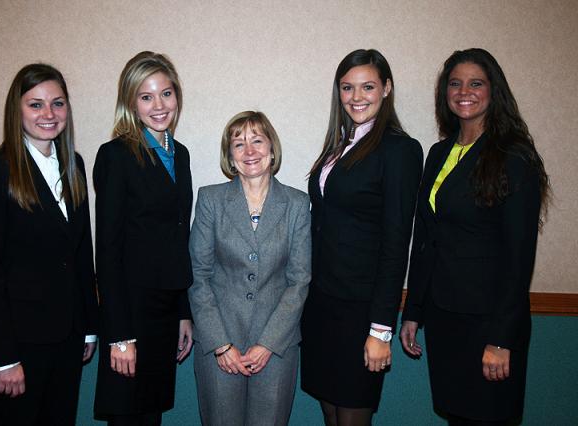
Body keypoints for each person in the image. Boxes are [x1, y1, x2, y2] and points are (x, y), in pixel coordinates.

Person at [400, 48, 551, 426]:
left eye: (476, 83)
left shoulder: (513, 157)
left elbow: (519, 258)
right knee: (458, 416)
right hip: (445, 316)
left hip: (489, 322)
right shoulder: (438, 153)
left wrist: (502, 339)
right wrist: (413, 311)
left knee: (488, 417)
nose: (464, 91)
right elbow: (427, 237)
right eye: (455, 83)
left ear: (493, 90)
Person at [0, 63, 99, 425]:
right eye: (36, 104)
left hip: (68, 339)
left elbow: (81, 254)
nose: (48, 114)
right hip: (19, 345)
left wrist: (88, 326)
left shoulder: (75, 165)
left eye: (57, 103)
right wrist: (5, 358)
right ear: (17, 109)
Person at [300, 49, 423, 426]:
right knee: (330, 411)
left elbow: (395, 244)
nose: (357, 97)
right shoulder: (339, 145)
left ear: (386, 89)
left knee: (353, 414)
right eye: (347, 87)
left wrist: (380, 329)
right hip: (321, 304)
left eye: (368, 86)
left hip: (362, 310)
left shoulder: (400, 149)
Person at [188, 111, 312, 426]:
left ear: (272, 149)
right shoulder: (210, 200)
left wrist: (268, 342)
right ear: (230, 156)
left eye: (257, 140)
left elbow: (299, 280)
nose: (250, 151)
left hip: (276, 345)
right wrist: (220, 343)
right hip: (219, 344)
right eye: (239, 144)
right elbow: (197, 276)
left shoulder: (297, 204)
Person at [93, 51, 193, 426]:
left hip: (165, 313)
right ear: (131, 102)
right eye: (146, 96)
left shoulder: (179, 155)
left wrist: (184, 311)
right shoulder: (116, 156)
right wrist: (118, 335)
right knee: (128, 415)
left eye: (165, 94)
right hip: (130, 312)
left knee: (150, 415)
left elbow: (177, 239)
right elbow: (108, 249)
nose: (158, 105)